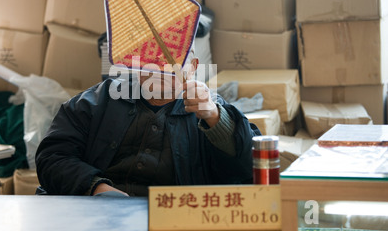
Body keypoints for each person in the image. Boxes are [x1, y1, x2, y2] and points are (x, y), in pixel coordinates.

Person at [35, 48, 261, 196]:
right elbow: (52, 157)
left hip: (174, 221)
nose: (161, 69)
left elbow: (250, 170)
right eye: (151, 60)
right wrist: (94, 186)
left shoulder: (211, 108)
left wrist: (215, 118)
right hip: (93, 212)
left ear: (192, 66)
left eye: (173, 60)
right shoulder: (99, 100)